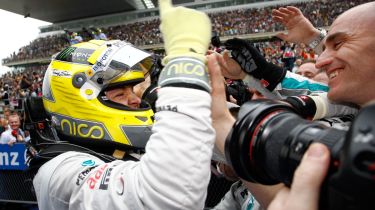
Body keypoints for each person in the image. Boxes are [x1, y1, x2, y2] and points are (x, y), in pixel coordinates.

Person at [32, 1, 216, 210]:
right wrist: (185, 67)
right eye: (120, 93)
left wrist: (238, 196)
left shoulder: (116, 150)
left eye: (133, 90)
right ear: (80, 101)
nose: (136, 100)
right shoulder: (61, 171)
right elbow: (162, 200)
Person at [210, 2, 375, 210]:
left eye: (338, 44)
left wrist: (224, 126)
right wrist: (249, 74)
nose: (319, 61)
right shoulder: (341, 105)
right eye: (324, 48)